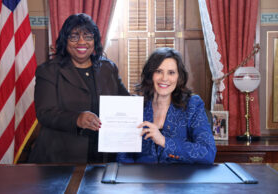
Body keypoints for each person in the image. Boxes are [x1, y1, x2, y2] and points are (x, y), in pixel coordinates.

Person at [28, 13, 129, 164]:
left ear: (94, 40)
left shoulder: (108, 68)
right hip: (59, 158)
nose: (82, 42)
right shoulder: (49, 70)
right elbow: (45, 113)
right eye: (74, 36)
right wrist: (76, 119)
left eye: (88, 36)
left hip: (103, 156)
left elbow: (125, 102)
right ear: (65, 40)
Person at [117, 47, 216, 164]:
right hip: (142, 180)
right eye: (158, 71)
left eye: (171, 73)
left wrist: (163, 141)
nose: (164, 78)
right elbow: (123, 156)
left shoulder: (192, 105)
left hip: (180, 180)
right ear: (150, 75)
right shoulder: (135, 106)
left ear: (179, 77)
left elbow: (208, 153)